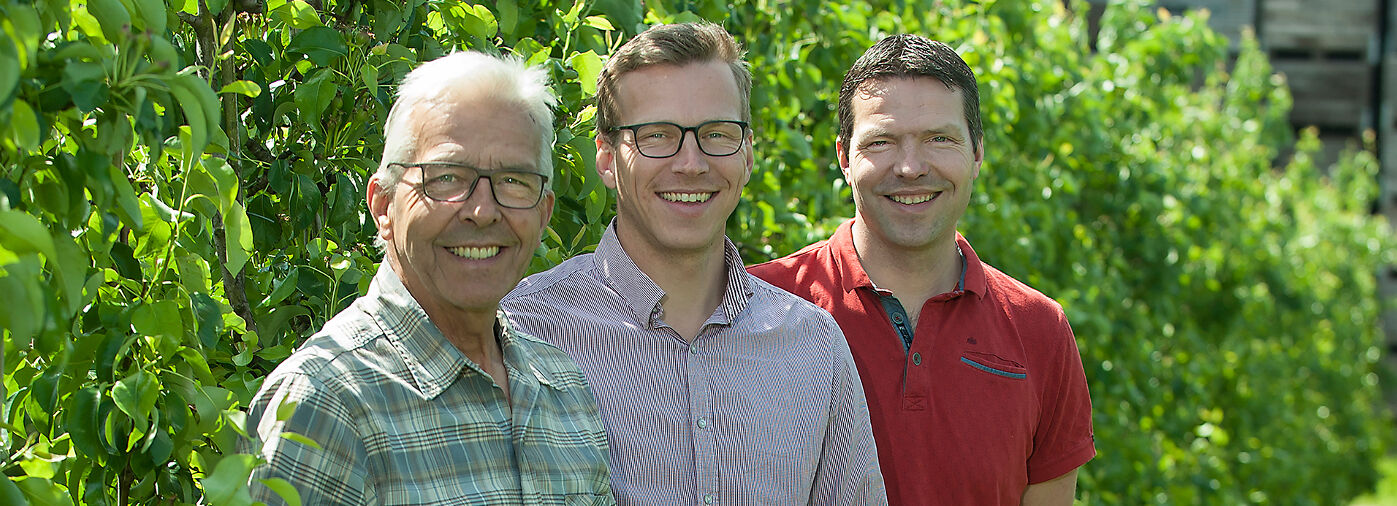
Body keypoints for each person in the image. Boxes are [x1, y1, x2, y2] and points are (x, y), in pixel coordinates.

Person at [501, 22, 886, 505]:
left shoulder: (813, 347)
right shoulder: (526, 332)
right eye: (657, 135)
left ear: (747, 154)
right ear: (605, 158)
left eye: (716, 134)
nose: (690, 162)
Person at [241, 51, 615, 505]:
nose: (482, 211)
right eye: (447, 178)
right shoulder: (324, 401)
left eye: (514, 181)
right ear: (383, 207)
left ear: (544, 212)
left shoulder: (564, 388)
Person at [748, 34, 1096, 505]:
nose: (911, 168)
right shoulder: (755, 306)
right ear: (844, 158)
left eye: (939, 139)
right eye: (883, 142)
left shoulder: (1040, 330)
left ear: (976, 154)